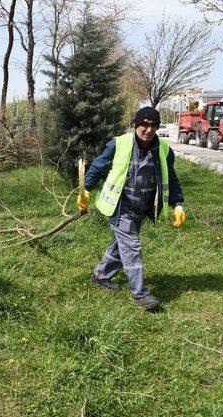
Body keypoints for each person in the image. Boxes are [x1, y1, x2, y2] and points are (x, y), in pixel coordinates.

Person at [77, 106, 186, 310]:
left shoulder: (163, 149)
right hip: (121, 206)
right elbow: (98, 166)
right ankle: (140, 293)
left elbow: (171, 178)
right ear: (136, 125)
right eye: (144, 124)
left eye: (153, 125)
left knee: (121, 245)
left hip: (143, 207)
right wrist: (86, 190)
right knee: (132, 246)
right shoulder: (119, 144)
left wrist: (177, 204)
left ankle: (101, 276)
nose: (149, 129)